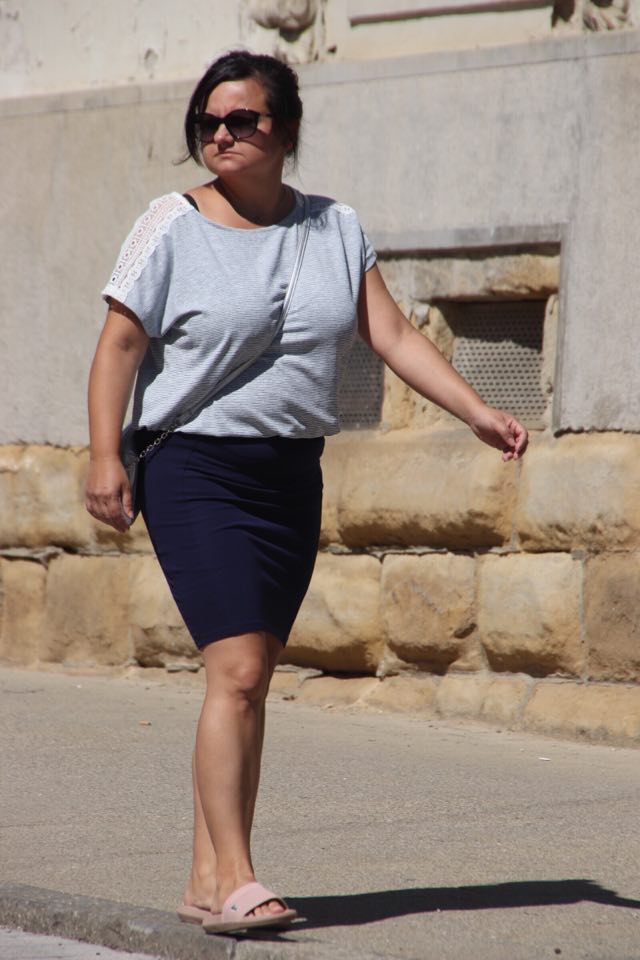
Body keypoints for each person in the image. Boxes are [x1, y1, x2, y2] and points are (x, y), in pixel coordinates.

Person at [85, 50, 528, 936]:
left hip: (289, 472)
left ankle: (206, 877)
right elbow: (120, 347)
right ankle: (240, 879)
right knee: (239, 671)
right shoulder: (169, 224)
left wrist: (478, 410)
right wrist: (105, 457)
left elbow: (391, 333)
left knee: (246, 680)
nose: (221, 135)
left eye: (241, 120)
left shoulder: (335, 227)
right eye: (208, 122)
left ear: (285, 131)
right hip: (195, 467)